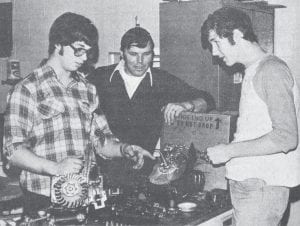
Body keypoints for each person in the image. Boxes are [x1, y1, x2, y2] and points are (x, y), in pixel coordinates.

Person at [3, 12, 154, 219]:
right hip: (43, 200)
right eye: (78, 50)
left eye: (87, 53)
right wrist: (56, 168)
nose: (84, 59)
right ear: (58, 44)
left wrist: (125, 149)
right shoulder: (27, 89)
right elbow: (13, 150)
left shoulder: (87, 89)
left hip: (87, 198)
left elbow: (101, 141)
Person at [201, 7, 300, 226]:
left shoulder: (271, 71)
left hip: (260, 188)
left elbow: (286, 137)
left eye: (216, 42)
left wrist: (228, 151)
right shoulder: (255, 70)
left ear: (236, 34)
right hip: (253, 186)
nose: (214, 52)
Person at [87, 27, 215, 176]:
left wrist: (186, 105)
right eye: (133, 54)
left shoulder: (163, 81)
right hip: (101, 173)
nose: (140, 61)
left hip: (143, 173)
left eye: (146, 54)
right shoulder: (99, 78)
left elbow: (208, 100)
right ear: (122, 53)